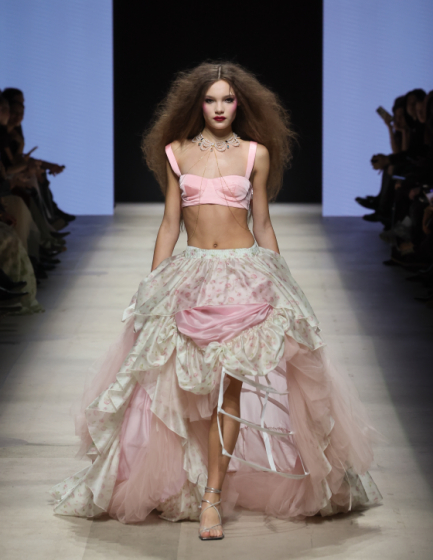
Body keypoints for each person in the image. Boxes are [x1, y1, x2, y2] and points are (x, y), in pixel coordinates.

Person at [50, 61, 382, 541]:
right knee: (189, 393)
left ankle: (211, 498)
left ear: (240, 103)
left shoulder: (255, 154)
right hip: (192, 278)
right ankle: (193, 481)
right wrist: (152, 288)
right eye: (211, 100)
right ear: (198, 104)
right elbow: (170, 223)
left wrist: (281, 282)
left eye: (228, 99)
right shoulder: (176, 152)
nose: (220, 108)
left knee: (229, 392)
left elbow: (262, 222)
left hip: (245, 278)